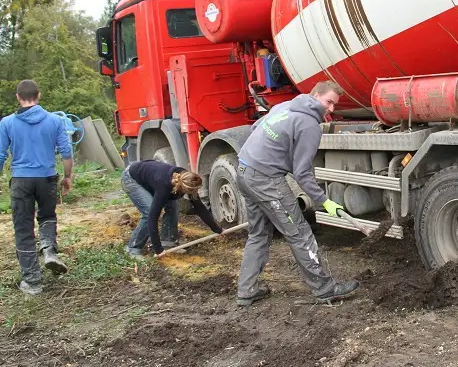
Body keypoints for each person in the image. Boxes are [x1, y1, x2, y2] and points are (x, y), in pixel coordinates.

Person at [235, 81, 359, 306]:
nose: (330, 109)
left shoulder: (285, 106)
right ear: (316, 95)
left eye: (334, 105)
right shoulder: (309, 125)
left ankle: (247, 290)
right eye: (328, 102)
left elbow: (256, 129)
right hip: (265, 180)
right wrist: (325, 202)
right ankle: (324, 289)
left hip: (244, 170)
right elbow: (302, 173)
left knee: (259, 233)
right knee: (299, 232)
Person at [0, 80, 73, 296]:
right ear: (38, 95)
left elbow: (1, 154)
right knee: (47, 216)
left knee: (23, 229)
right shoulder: (55, 120)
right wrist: (67, 177)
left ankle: (32, 282)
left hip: (21, 181)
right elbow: (66, 152)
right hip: (47, 178)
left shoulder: (7, 123)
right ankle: (49, 250)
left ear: (17, 97)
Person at [122, 160, 222, 257]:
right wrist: (158, 249)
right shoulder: (164, 187)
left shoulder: (187, 178)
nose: (196, 192)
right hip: (131, 179)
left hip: (150, 176)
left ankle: (168, 242)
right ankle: (133, 249)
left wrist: (217, 229)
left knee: (172, 207)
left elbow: (199, 207)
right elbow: (153, 218)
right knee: (148, 211)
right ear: (182, 189)